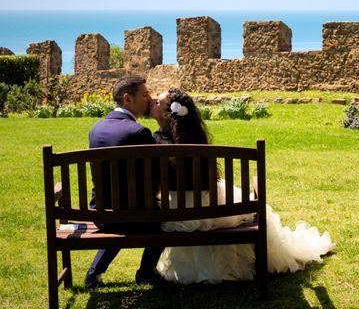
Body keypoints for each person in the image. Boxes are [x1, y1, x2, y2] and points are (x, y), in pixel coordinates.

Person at [150, 88, 335, 284]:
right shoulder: (197, 139)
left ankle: (200, 270)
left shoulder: (155, 141)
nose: (152, 101)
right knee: (248, 205)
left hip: (176, 214)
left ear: (166, 114)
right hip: (209, 208)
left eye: (157, 101)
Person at [84, 75, 165, 289]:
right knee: (167, 220)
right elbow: (158, 173)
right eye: (145, 95)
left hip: (102, 214)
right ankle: (146, 272)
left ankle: (93, 273)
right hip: (138, 215)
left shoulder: (95, 129)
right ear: (127, 99)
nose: (149, 99)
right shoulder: (139, 132)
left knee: (118, 217)